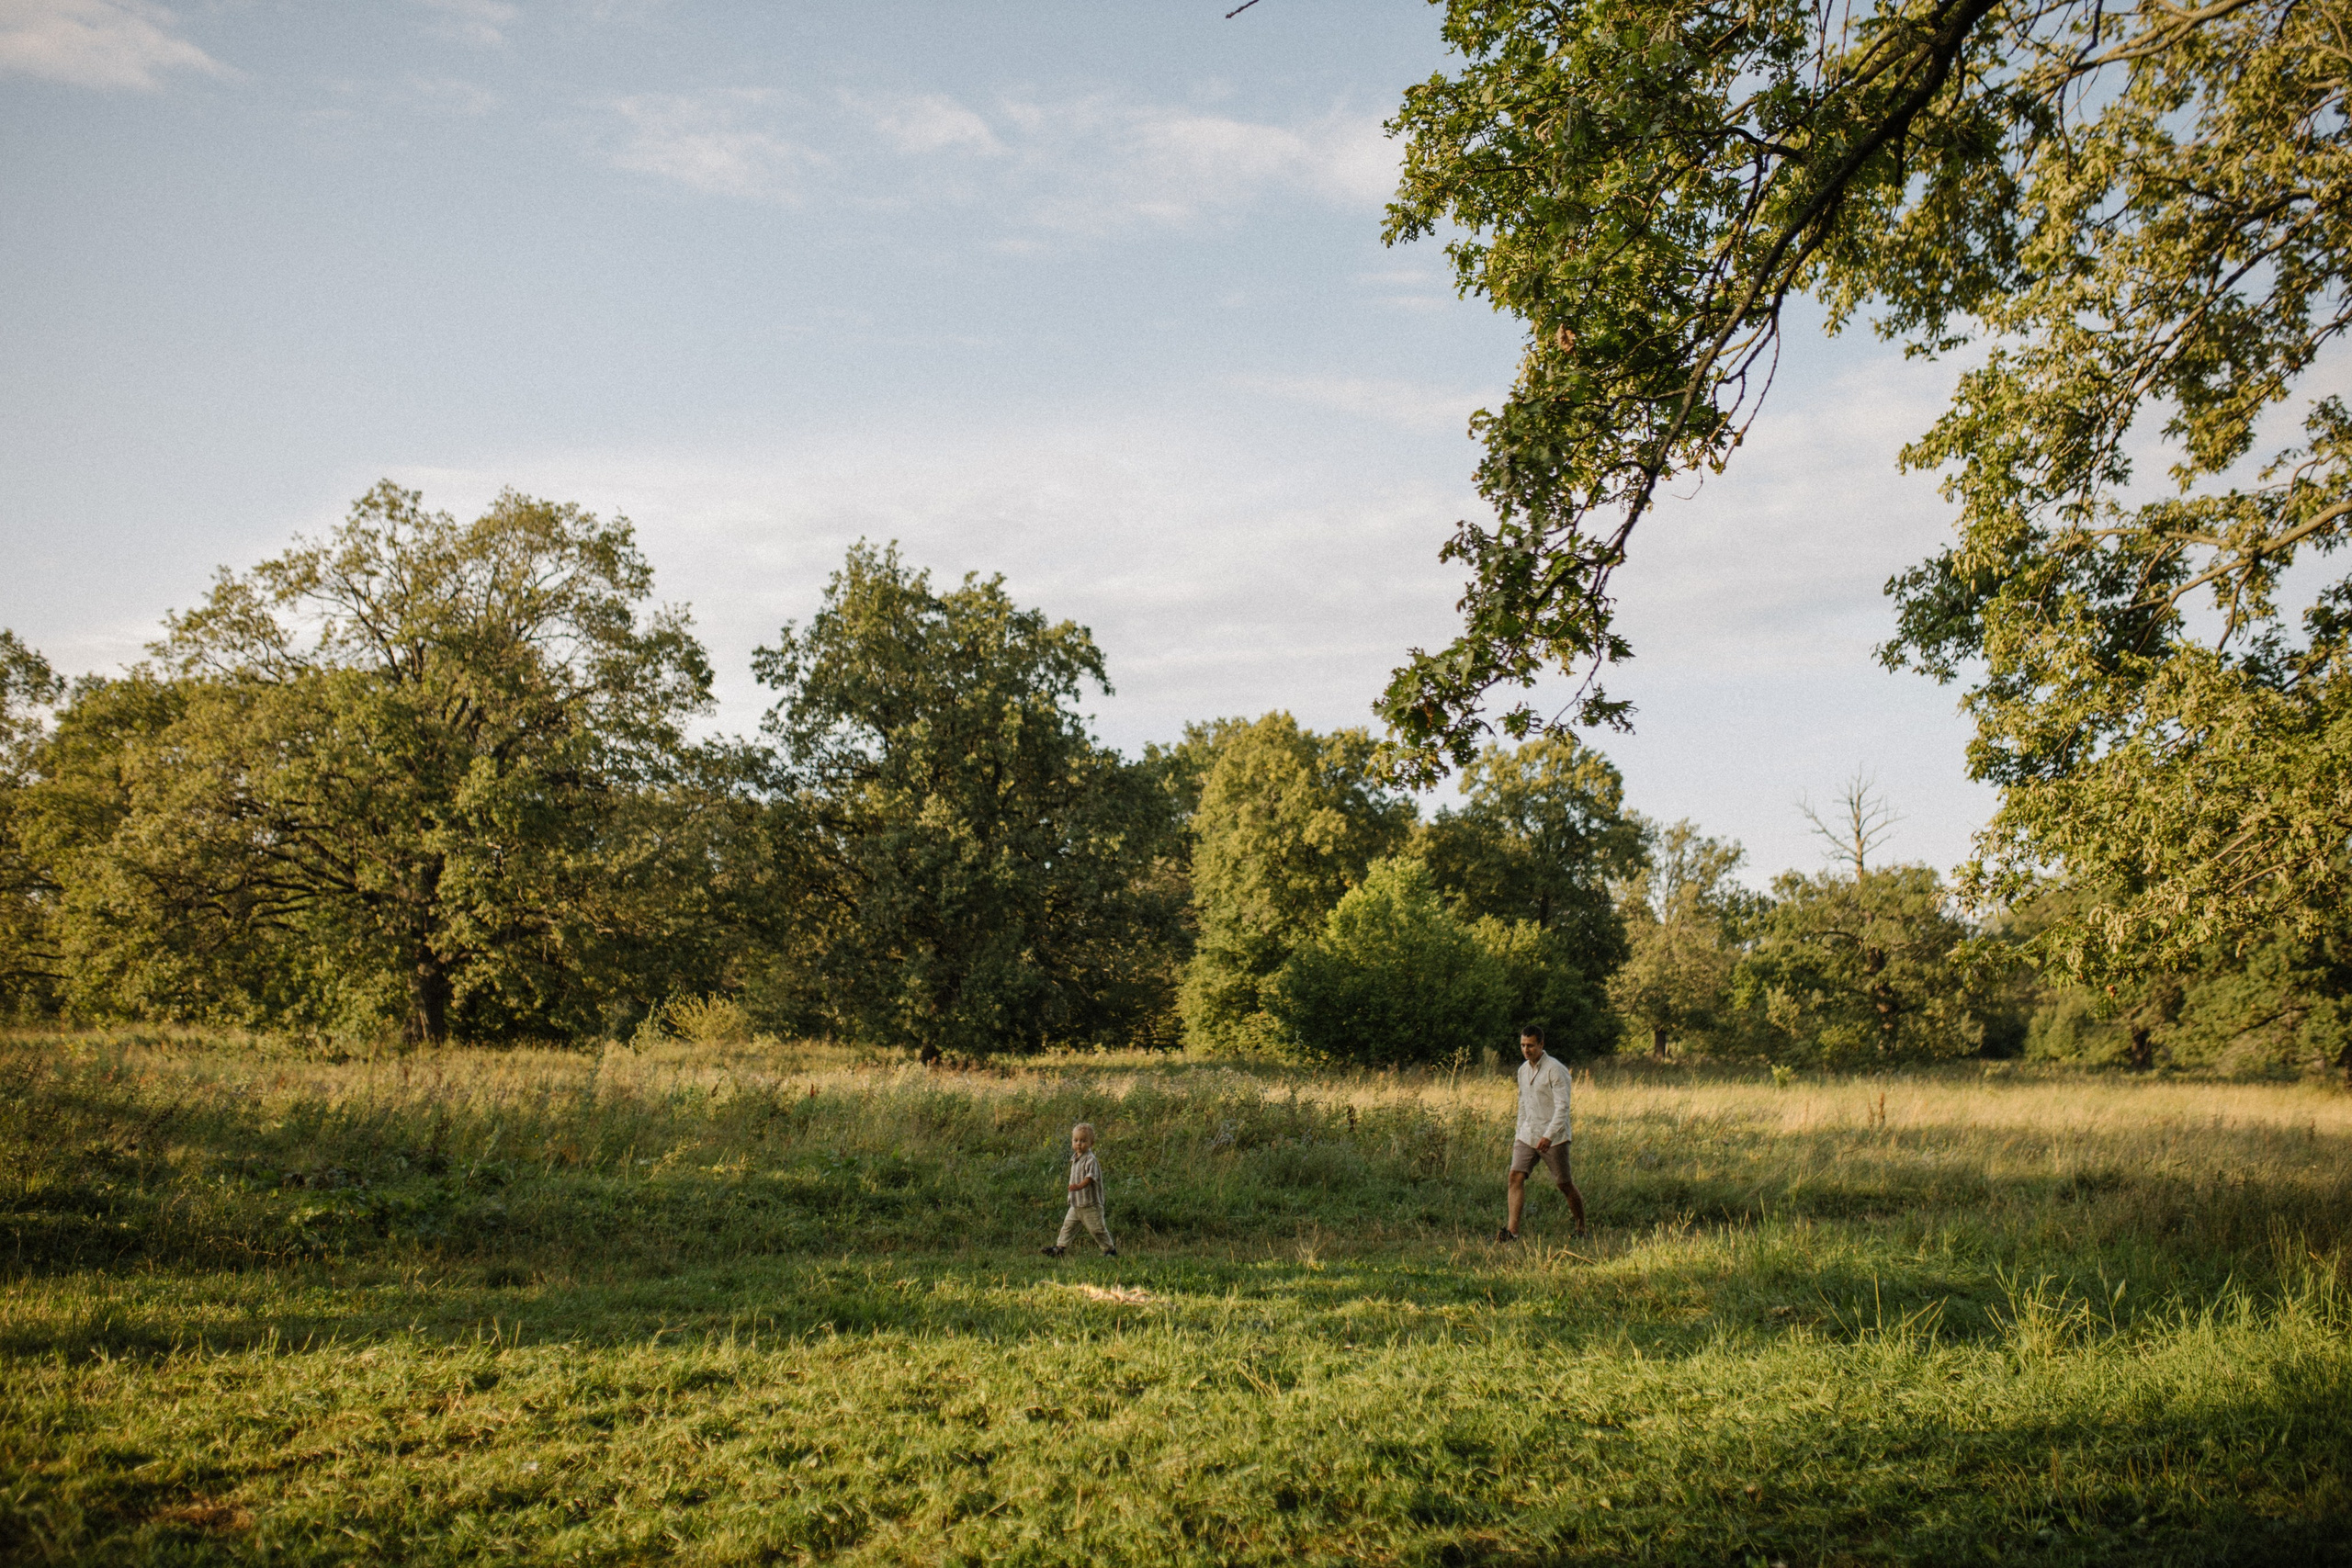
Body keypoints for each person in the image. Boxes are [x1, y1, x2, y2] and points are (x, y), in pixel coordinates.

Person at [1498, 1023, 1587, 1242]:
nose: (1526, 1050)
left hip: (1554, 1136)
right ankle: (1512, 1233)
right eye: (1522, 1045)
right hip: (1527, 1135)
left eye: (1530, 1045)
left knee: (1564, 1183)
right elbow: (1523, 1103)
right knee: (1515, 1176)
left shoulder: (1556, 1070)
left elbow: (1563, 1107)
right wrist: (1520, 1132)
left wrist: (1549, 1135)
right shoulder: (1522, 1070)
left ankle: (1581, 1229)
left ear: (1541, 1044)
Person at [1041, 1121, 1117, 1258]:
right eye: (1076, 1140)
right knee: (1068, 1227)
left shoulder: (1090, 1159)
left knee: (1097, 1229)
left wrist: (1079, 1186)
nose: (1079, 1143)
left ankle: (1109, 1250)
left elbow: (1090, 1177)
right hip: (1076, 1203)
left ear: (1091, 1143)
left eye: (1083, 1141)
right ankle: (1059, 1248)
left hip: (1089, 1204)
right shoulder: (1075, 1158)